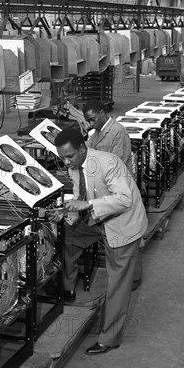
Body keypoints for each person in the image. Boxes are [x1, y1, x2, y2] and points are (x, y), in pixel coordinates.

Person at [53, 129, 147, 355]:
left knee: (116, 284)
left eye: (70, 156)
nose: (67, 162)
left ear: (83, 149)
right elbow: (80, 195)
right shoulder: (75, 166)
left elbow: (124, 199)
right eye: (63, 157)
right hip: (99, 219)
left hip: (122, 224)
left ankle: (110, 338)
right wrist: (70, 212)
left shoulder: (108, 163)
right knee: (67, 233)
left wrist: (87, 206)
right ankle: (68, 288)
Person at [83, 100, 132, 172]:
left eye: (93, 120)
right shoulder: (98, 131)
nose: (91, 124)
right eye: (88, 121)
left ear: (102, 113)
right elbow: (89, 146)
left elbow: (117, 162)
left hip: (118, 178)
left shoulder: (118, 130)